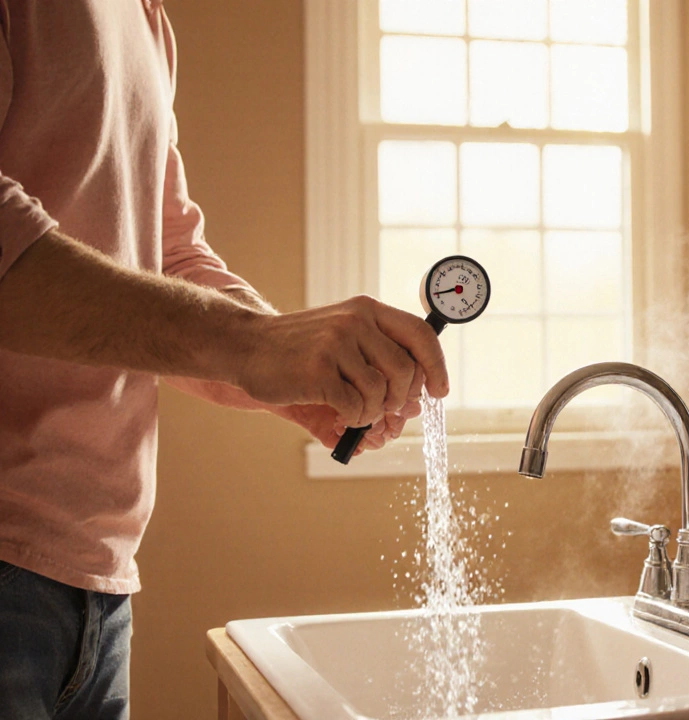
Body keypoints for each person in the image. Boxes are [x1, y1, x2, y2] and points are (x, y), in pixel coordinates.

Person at [0, 3, 447, 717]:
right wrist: (254, 344)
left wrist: (288, 372)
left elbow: (168, 256)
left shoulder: (146, 17)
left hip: (99, 581)